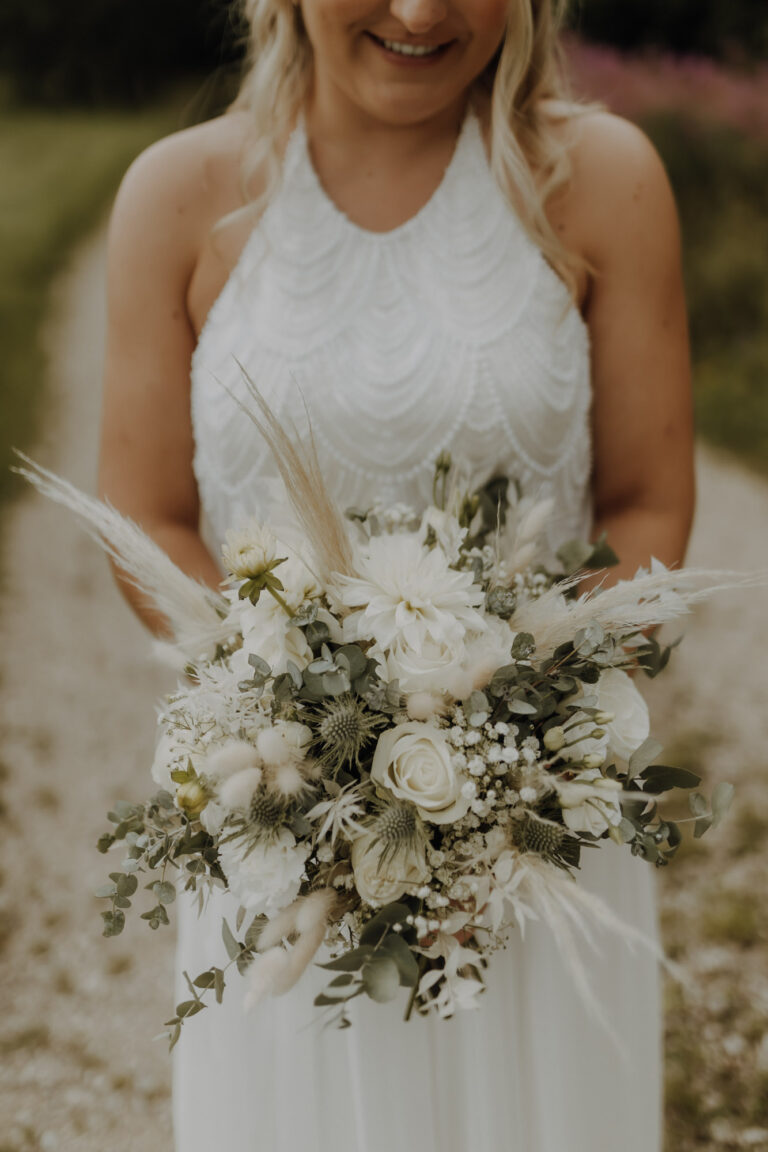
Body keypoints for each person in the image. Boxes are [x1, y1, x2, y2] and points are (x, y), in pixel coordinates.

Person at [99, 0, 695, 1147]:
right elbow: (149, 517)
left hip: (533, 837)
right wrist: (304, 725)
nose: (420, 13)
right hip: (278, 824)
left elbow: (648, 505)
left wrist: (509, 732)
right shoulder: (175, 198)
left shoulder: (602, 178)